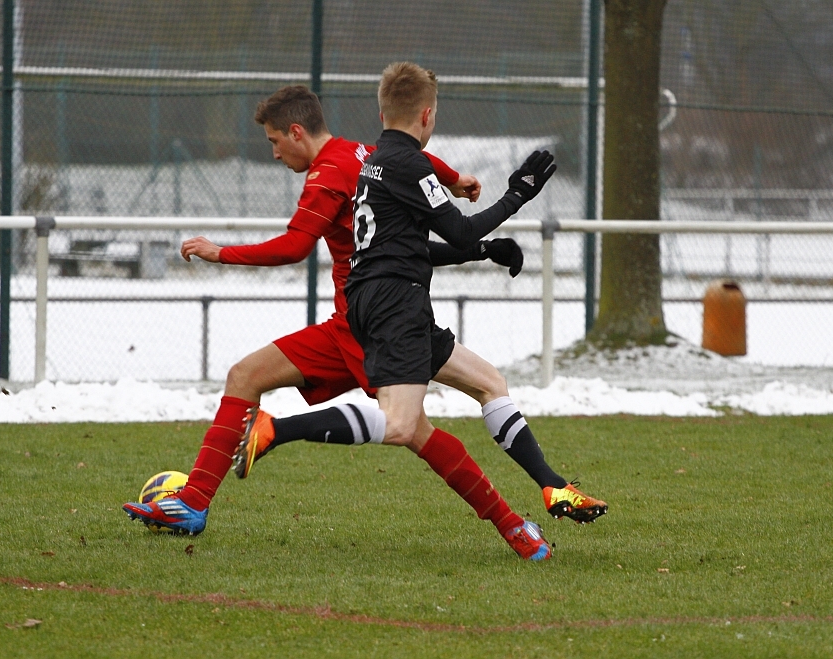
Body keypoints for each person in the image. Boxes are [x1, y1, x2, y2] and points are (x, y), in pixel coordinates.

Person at [123, 84, 552, 560]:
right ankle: (194, 502)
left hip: (365, 322)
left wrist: (219, 252)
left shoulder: (327, 176)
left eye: (273, 141)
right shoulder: (364, 152)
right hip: (362, 318)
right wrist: (454, 181)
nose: (274, 154)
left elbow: (293, 247)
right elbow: (416, 166)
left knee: (411, 429)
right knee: (250, 377)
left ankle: (516, 522)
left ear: (296, 131)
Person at [232, 64, 606, 557]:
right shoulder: (410, 165)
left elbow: (414, 247)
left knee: (489, 383)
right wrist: (518, 194)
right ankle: (275, 429)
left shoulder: (375, 163)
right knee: (402, 425)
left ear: (382, 111)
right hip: (395, 305)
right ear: (427, 116)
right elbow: (460, 230)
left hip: (380, 298)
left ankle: (552, 485)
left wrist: (485, 250)